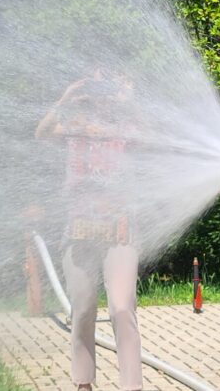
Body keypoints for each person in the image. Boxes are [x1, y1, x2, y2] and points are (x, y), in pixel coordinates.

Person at [36, 68, 142, 391]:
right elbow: (41, 134)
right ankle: (84, 384)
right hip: (78, 232)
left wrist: (131, 102)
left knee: (122, 308)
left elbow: (153, 138)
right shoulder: (73, 127)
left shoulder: (123, 128)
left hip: (120, 231)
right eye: (93, 90)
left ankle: (132, 387)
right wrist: (66, 96)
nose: (99, 98)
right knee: (82, 309)